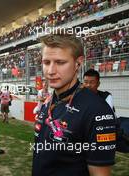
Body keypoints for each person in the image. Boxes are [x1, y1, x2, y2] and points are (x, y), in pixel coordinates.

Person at [32, 31, 116, 176]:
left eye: (60, 62)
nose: (51, 71)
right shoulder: (50, 100)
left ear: (78, 63)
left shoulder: (97, 110)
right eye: (46, 62)